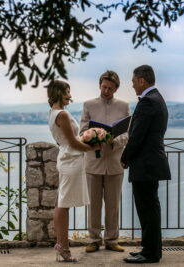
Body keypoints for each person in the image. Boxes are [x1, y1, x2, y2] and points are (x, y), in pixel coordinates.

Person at [121, 65, 171, 264]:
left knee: (147, 209)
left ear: (142, 80)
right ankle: (150, 248)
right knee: (150, 208)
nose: (132, 86)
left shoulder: (148, 102)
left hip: (146, 164)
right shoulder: (157, 99)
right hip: (151, 162)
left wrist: (125, 157)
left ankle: (150, 253)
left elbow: (137, 136)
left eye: (133, 82)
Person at [47, 80, 99, 262]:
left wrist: (86, 137)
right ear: (59, 93)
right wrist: (93, 146)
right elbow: (74, 142)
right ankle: (62, 247)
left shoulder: (54, 113)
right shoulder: (61, 114)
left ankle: (62, 245)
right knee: (63, 204)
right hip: (70, 160)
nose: (70, 95)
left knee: (62, 203)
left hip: (68, 158)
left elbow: (70, 139)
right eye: (67, 91)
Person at [79, 70, 130, 253]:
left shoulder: (124, 106)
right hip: (93, 162)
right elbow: (82, 131)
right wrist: (93, 137)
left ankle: (111, 239)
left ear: (116, 88)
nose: (106, 91)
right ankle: (93, 239)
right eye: (104, 87)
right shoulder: (88, 105)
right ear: (99, 85)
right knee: (93, 204)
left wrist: (114, 141)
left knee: (113, 204)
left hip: (115, 162)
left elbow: (127, 133)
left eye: (110, 88)